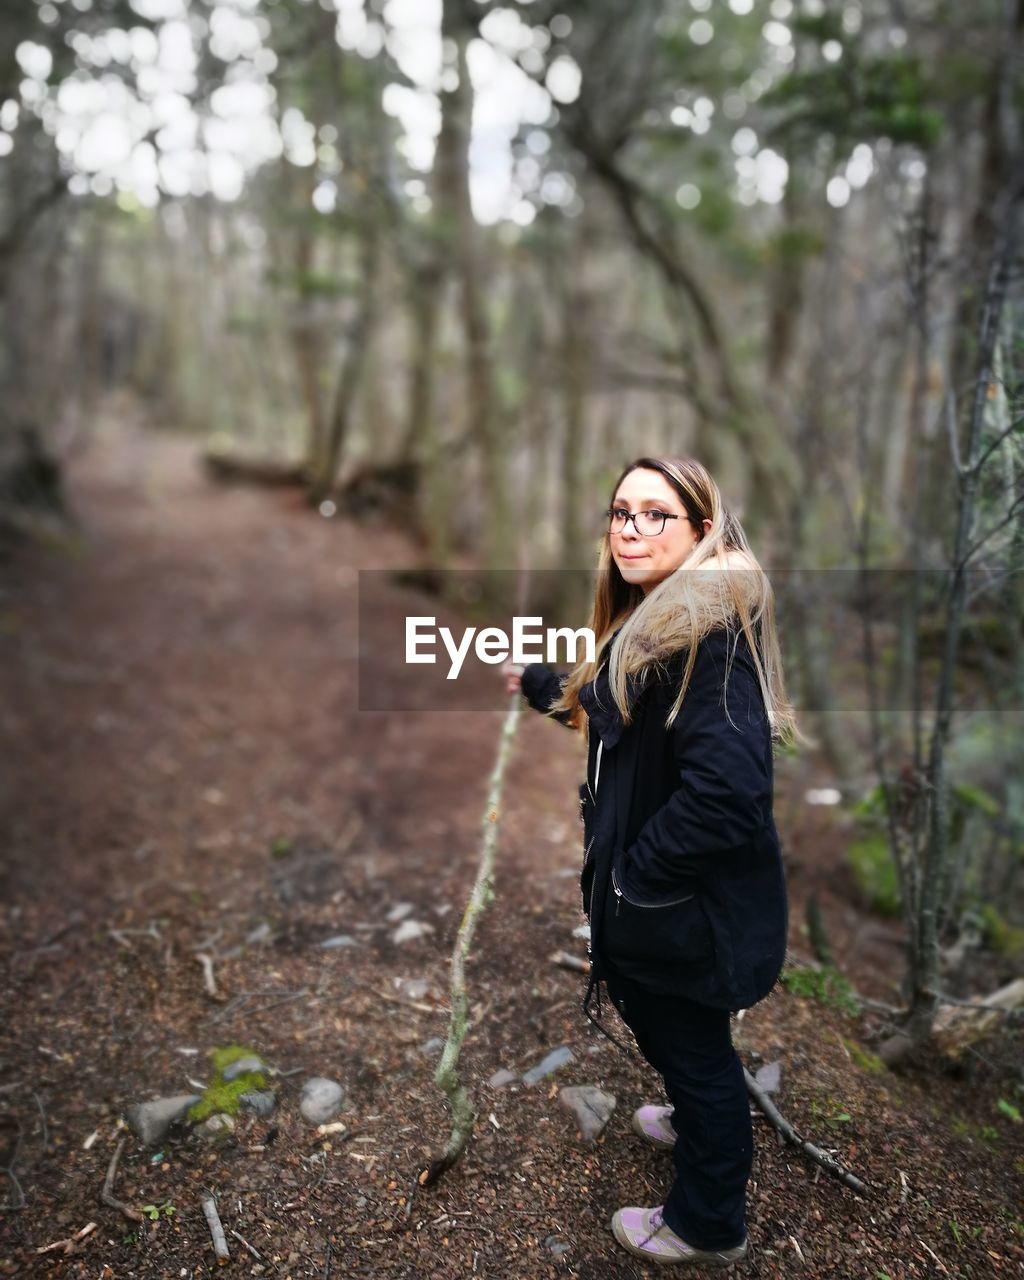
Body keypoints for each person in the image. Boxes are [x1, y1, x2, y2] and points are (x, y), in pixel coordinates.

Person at [502, 455, 800, 1268]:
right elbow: (616, 715)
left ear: (702, 530)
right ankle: (696, 1107)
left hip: (684, 918)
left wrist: (637, 878)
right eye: (621, 512)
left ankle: (709, 1219)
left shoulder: (710, 643)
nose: (630, 529)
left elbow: (730, 793)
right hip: (665, 909)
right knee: (682, 1039)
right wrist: (540, 686)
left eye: (655, 515)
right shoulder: (658, 620)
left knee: (692, 1046)